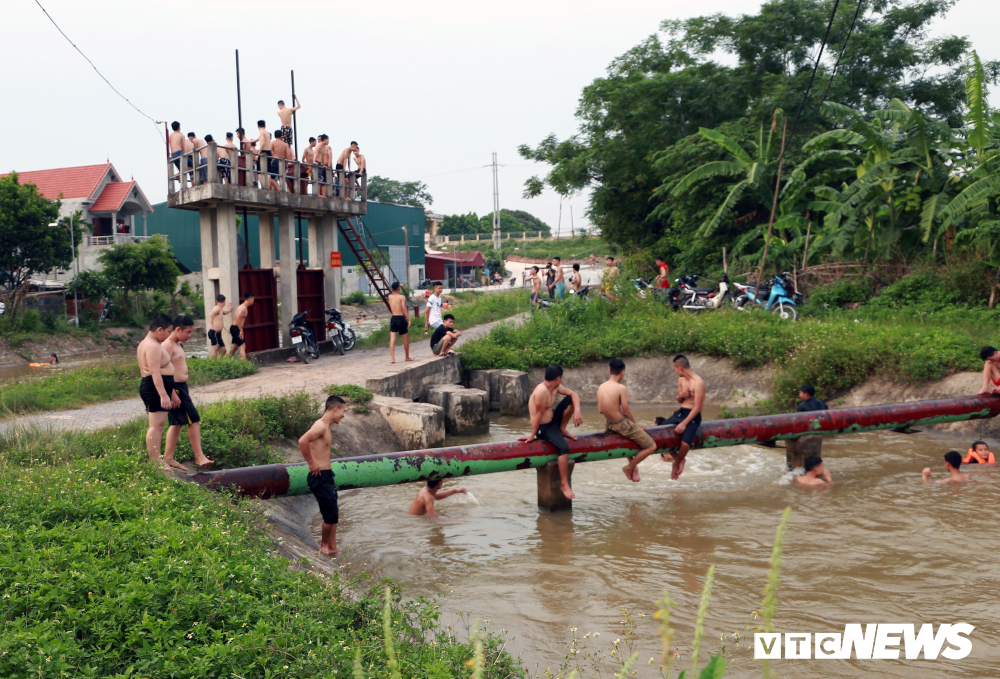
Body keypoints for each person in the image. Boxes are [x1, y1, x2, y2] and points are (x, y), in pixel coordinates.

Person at [517, 365, 583, 499]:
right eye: (562, 378)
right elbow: (538, 415)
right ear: (558, 378)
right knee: (564, 448)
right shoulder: (541, 391)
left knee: (570, 400)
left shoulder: (556, 387)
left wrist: (577, 410)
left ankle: (562, 429)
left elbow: (574, 394)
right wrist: (532, 435)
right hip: (544, 427)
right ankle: (564, 484)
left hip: (553, 421)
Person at [162, 315, 215, 471]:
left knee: (176, 423)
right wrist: (172, 393)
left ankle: (168, 457)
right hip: (175, 388)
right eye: (188, 332)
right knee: (194, 418)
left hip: (181, 387)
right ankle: (199, 456)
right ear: (178, 329)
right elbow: (162, 371)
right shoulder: (167, 345)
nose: (190, 336)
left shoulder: (178, 344)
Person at [297, 394, 346, 555]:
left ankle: (332, 546)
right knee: (330, 515)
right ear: (336, 409)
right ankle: (324, 546)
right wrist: (311, 463)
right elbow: (302, 441)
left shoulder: (326, 426)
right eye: (343, 411)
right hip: (320, 477)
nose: (343, 416)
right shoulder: (320, 426)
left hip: (327, 475)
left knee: (334, 513)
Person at [598, 359, 657, 482]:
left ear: (609, 371)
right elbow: (626, 411)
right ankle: (629, 467)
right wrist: (635, 425)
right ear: (623, 372)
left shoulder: (601, 387)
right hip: (621, 424)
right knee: (651, 447)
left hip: (609, 424)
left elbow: (601, 410)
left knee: (628, 437)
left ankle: (632, 465)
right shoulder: (621, 388)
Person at [137, 314, 176, 472]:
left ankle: (157, 459)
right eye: (168, 331)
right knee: (156, 426)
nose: (169, 335)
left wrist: (170, 392)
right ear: (159, 330)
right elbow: (155, 373)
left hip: (156, 387)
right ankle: (155, 461)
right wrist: (163, 395)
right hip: (154, 388)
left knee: (158, 425)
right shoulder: (152, 346)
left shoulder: (149, 343)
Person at [658, 355, 705, 480]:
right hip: (681, 412)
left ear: (680, 368)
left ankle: (677, 463)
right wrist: (681, 396)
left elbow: (698, 408)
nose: (675, 372)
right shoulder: (681, 380)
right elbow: (679, 400)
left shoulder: (698, 382)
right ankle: (679, 459)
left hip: (693, 415)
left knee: (685, 444)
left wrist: (684, 423)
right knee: (659, 433)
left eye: (675, 369)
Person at [387, 281, 412, 363]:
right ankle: (407, 356)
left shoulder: (390, 296)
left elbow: (393, 291)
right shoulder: (402, 297)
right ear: (399, 288)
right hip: (400, 318)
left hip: (393, 318)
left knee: (392, 339)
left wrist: (397, 287)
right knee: (405, 339)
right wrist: (409, 319)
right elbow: (404, 309)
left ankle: (392, 358)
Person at [229, 292, 255, 359]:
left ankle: (226, 360)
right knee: (242, 346)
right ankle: (245, 365)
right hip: (236, 328)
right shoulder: (243, 308)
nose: (253, 301)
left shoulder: (243, 307)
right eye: (253, 299)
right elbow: (238, 319)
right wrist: (241, 330)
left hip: (234, 328)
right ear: (250, 299)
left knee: (235, 347)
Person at [206, 294, 233, 358]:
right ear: (224, 301)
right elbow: (210, 315)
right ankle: (213, 365)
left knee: (223, 350)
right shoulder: (217, 308)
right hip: (214, 332)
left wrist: (230, 310)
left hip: (218, 333)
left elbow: (224, 312)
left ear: (216, 301)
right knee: (215, 350)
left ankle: (219, 363)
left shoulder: (220, 309)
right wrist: (212, 326)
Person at [252, 120, 272, 186]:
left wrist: (258, 154)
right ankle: (268, 187)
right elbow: (258, 139)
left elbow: (262, 143)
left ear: (258, 126)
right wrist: (248, 142)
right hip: (269, 152)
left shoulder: (261, 132)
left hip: (263, 152)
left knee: (259, 171)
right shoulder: (268, 133)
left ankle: (264, 186)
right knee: (268, 172)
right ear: (265, 125)